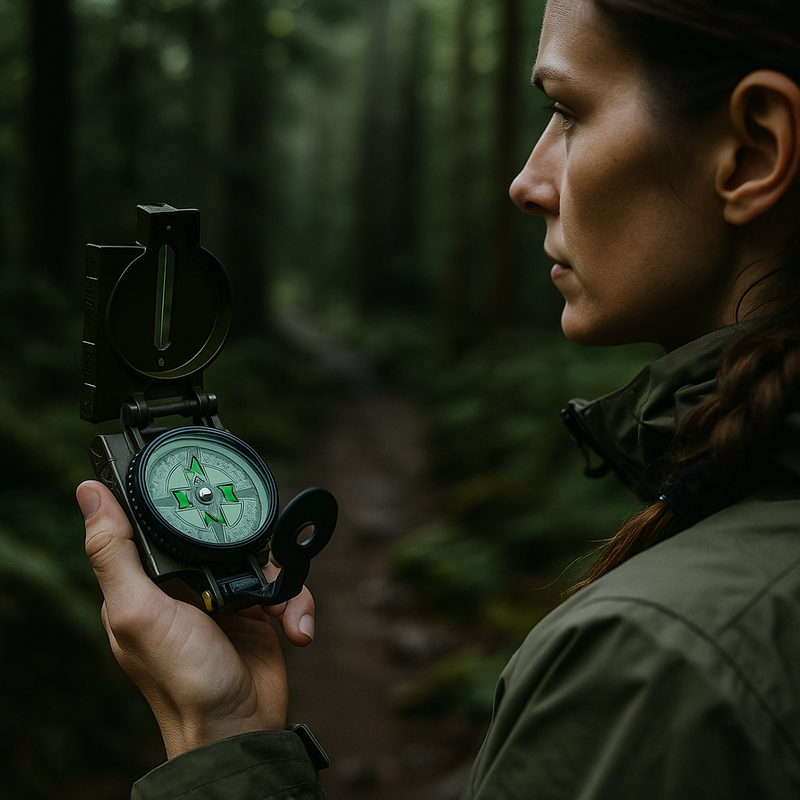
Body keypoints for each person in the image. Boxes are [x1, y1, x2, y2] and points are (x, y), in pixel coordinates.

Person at [77, 0, 800, 796]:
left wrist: (214, 746)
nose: (526, 182)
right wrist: (232, 729)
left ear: (752, 150)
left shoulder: (657, 664)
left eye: (568, 112)